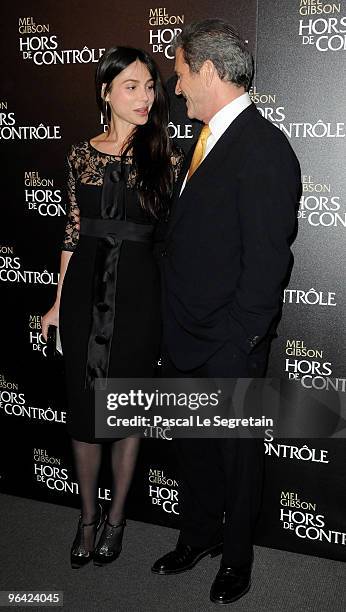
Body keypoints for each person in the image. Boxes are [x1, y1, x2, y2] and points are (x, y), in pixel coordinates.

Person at [151, 19, 301, 605]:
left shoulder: (263, 149)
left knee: (238, 457)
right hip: (184, 331)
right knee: (192, 447)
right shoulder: (205, 138)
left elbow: (267, 262)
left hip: (227, 341)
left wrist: (240, 340)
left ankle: (236, 557)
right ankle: (199, 534)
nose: (176, 85)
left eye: (182, 72)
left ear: (209, 71)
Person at [41, 46, 183, 569]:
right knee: (84, 411)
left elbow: (171, 239)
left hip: (142, 295)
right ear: (105, 92)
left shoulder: (164, 155)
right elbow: (73, 233)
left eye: (151, 86)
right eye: (132, 86)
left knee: (127, 411)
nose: (146, 96)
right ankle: (86, 517)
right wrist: (57, 302)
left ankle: (117, 519)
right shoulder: (80, 154)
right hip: (82, 293)